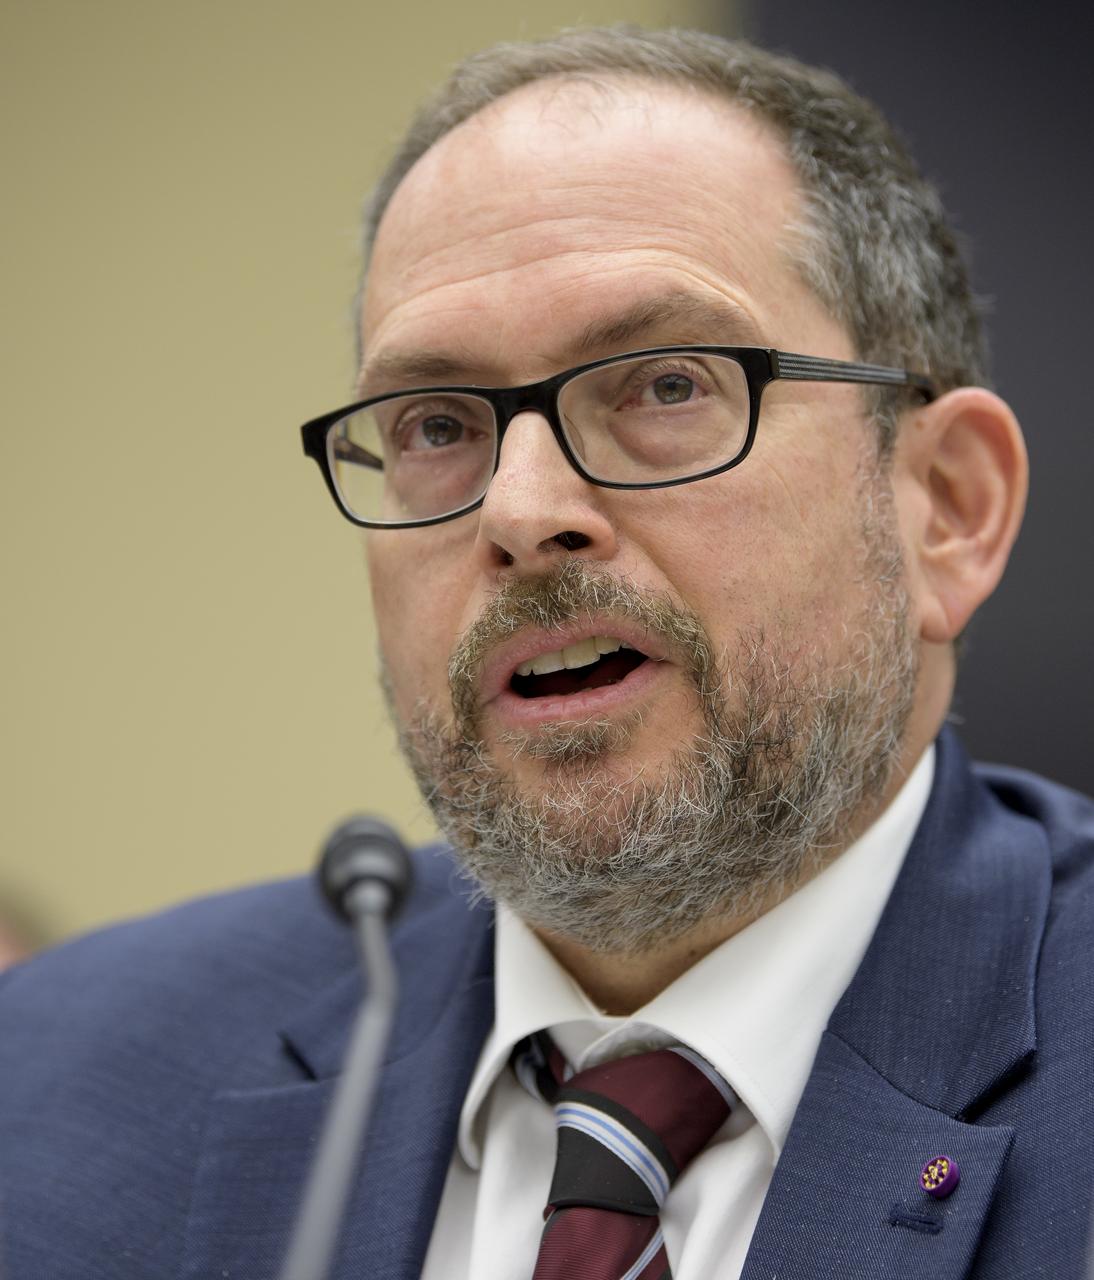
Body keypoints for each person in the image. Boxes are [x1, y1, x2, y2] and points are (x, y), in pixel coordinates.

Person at [1, 26, 1091, 1280]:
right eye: (436, 424)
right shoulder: (48, 1084)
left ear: (945, 508)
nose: (519, 511)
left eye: (665, 385)